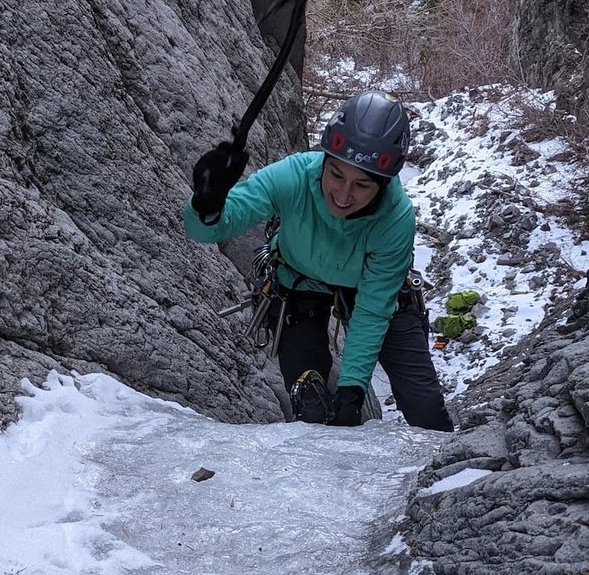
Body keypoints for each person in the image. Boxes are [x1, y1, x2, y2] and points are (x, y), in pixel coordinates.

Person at [184, 91, 453, 431]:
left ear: (384, 185)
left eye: (362, 185)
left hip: (375, 291)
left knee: (425, 411)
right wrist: (206, 204)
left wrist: (353, 390)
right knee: (310, 406)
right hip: (299, 285)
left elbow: (373, 308)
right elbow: (208, 230)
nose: (343, 196)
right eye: (336, 175)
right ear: (324, 159)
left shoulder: (395, 218)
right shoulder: (293, 176)